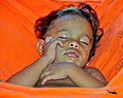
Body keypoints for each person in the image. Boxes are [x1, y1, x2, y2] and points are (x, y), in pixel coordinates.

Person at [7, 3, 107, 88]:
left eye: (83, 42)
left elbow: (110, 94)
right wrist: (45, 59)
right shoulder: (38, 73)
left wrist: (70, 70)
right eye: (63, 37)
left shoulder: (89, 73)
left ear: (89, 57)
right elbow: (9, 90)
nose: (74, 43)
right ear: (42, 46)